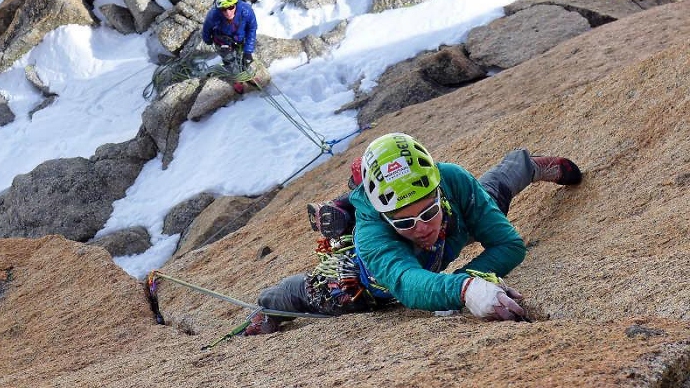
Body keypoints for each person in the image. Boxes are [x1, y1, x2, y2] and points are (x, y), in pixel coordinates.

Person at [244, 132, 582, 335]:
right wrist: (463, 290)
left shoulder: (451, 181)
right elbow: (406, 284)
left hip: (453, 225)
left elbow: (509, 245)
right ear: (385, 217)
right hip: (367, 284)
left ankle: (526, 165)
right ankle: (267, 307)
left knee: (489, 193)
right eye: (404, 222)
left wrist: (467, 281)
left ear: (436, 190)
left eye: (427, 212)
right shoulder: (372, 234)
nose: (421, 228)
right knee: (311, 293)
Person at [201, 0, 258, 70]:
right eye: (223, 9)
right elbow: (206, 29)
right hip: (223, 42)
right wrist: (207, 39)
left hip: (241, 39)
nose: (228, 12)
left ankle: (242, 70)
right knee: (230, 62)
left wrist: (248, 51)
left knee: (243, 60)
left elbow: (251, 29)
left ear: (236, 4)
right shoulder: (213, 15)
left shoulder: (246, 11)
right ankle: (235, 76)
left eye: (231, 7)